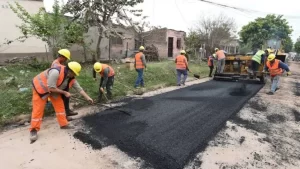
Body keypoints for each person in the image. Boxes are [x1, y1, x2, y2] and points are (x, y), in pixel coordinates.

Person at [30, 61, 94, 142]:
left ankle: (63, 124)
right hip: (41, 88)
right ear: (70, 71)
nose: (75, 75)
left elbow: (79, 89)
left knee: (60, 106)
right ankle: (33, 130)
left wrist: (88, 98)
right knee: (38, 110)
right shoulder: (56, 72)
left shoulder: (70, 77)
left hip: (53, 89)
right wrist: (64, 92)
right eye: (74, 73)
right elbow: (51, 88)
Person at [50, 49, 78, 118]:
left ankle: (67, 112)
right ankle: (65, 116)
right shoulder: (56, 65)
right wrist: (63, 91)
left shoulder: (59, 63)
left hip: (61, 85)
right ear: (62, 56)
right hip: (57, 86)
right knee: (61, 101)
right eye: (66, 58)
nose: (66, 60)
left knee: (66, 97)